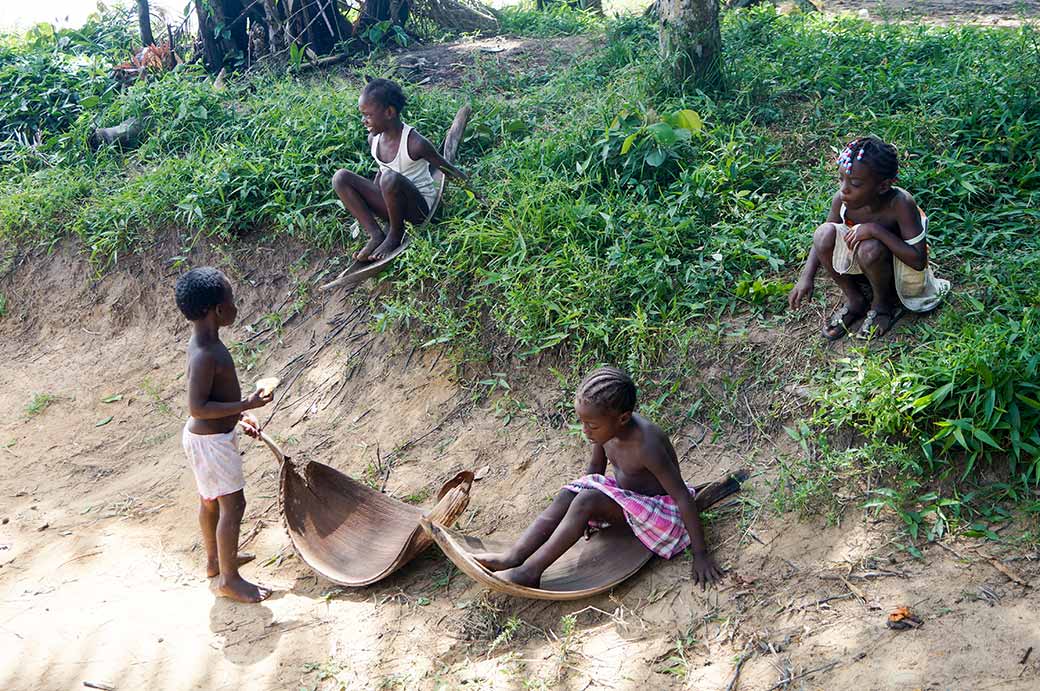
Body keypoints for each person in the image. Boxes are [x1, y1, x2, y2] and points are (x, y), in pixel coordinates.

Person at [472, 367, 724, 589]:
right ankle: (515, 556)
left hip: (661, 516)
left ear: (622, 418)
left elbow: (681, 496)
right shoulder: (605, 431)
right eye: (581, 422)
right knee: (571, 494)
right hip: (629, 506)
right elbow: (593, 472)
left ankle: (530, 571)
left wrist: (701, 554)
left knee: (586, 500)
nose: (585, 430)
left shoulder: (646, 444)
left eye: (591, 425)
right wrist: (579, 515)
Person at [175, 267, 273, 603]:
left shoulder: (206, 343)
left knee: (210, 501)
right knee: (233, 505)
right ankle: (229, 580)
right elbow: (198, 407)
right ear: (217, 310)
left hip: (208, 439)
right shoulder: (206, 354)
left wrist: (241, 414)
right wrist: (246, 402)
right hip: (210, 443)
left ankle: (216, 560)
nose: (235, 307)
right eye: (231, 302)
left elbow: (214, 398)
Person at [788, 136, 950, 339]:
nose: (844, 189)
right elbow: (821, 241)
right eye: (841, 179)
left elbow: (918, 261)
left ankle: (883, 305)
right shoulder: (842, 200)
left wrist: (875, 230)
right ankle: (855, 299)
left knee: (870, 248)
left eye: (855, 183)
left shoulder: (900, 204)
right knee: (823, 233)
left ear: (882, 186)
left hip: (896, 271)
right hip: (865, 269)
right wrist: (806, 277)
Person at [331, 78, 469, 262]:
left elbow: (447, 169)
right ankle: (376, 234)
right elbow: (381, 172)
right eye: (362, 115)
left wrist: (478, 195)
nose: (364, 121)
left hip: (418, 210)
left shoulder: (415, 143)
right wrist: (371, 200)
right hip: (392, 206)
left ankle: (395, 234)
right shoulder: (374, 139)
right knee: (340, 177)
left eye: (368, 115)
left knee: (388, 178)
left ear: (389, 112)